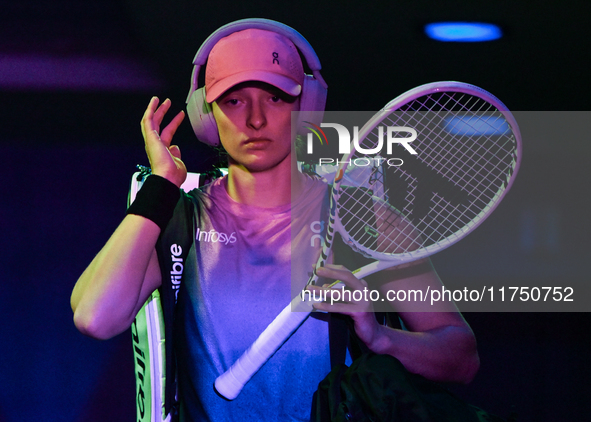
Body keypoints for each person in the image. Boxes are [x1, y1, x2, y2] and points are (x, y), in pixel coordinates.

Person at [71, 20, 479, 422]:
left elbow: (461, 358)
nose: (255, 119)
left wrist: (379, 336)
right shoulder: (180, 219)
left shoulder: (363, 219)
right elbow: (95, 317)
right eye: (233, 100)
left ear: (308, 106)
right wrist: (161, 187)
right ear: (206, 115)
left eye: (275, 97)